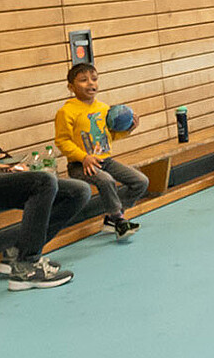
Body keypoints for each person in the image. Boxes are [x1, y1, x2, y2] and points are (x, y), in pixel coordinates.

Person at [0, 58, 89, 290]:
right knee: (44, 182)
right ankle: (26, 267)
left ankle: (17, 254)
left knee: (79, 191)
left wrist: (11, 165)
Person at [55, 63, 147, 241]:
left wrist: (128, 130)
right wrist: (84, 157)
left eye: (94, 79)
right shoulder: (66, 112)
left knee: (141, 181)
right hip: (81, 165)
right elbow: (62, 141)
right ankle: (119, 220)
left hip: (106, 161)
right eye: (83, 80)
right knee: (106, 180)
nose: (91, 83)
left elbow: (109, 136)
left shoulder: (104, 109)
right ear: (71, 87)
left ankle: (114, 217)